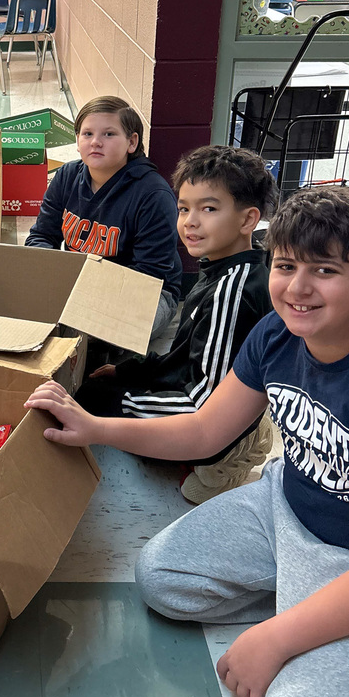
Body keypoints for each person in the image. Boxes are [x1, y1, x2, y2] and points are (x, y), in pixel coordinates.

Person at [26, 186, 349, 697]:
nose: (299, 288)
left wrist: (280, 637)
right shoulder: (278, 334)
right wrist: (93, 427)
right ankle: (306, 600)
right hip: (284, 507)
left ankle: (315, 612)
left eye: (325, 270)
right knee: (163, 579)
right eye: (286, 266)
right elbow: (206, 430)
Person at [78, 145, 278, 503]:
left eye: (209, 209)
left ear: (248, 220)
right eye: (184, 208)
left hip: (214, 421)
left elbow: (203, 405)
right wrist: (128, 372)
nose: (190, 222)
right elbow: (185, 358)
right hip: (209, 395)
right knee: (102, 386)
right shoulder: (221, 265)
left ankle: (234, 453)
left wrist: (116, 410)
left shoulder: (232, 292)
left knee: (96, 409)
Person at [25, 95, 182, 340]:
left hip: (146, 295)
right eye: (87, 134)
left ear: (131, 142)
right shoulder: (67, 175)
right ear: (77, 140)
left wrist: (85, 298)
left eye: (109, 134)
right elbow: (41, 236)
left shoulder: (153, 195)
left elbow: (148, 276)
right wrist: (53, 275)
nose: (96, 142)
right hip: (78, 283)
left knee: (90, 331)